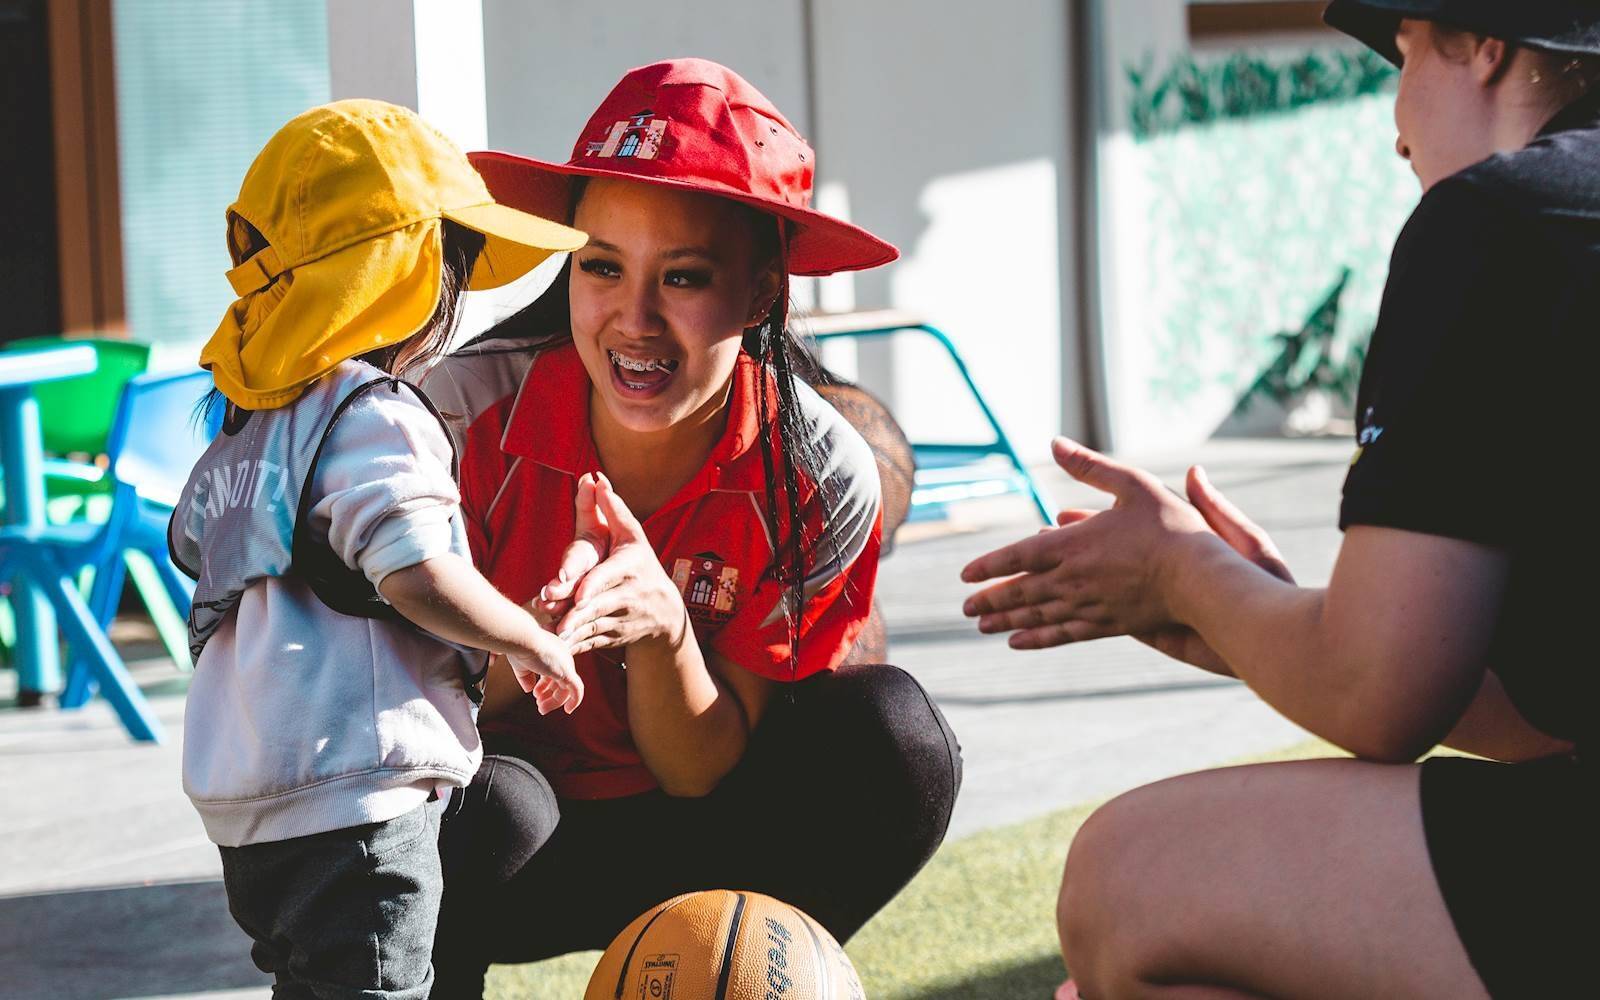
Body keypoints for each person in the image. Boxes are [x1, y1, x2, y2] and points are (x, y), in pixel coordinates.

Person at [961, 3, 1599, 997]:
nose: (1397, 132)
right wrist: (1258, 625)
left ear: (1486, 45)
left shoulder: (1499, 216)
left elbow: (1379, 698)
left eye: (1403, 55)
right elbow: (1555, 717)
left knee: (1129, 877)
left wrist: (1184, 571)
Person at [420, 59, 962, 993]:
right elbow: (415, 724)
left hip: (709, 836)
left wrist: (664, 628)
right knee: (483, 805)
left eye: (683, 276)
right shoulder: (456, 416)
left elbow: (698, 775)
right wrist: (527, 636)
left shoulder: (822, 469)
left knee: (896, 736)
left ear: (762, 293)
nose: (634, 319)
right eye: (600, 267)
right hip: (516, 841)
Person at [169, 99, 588, 1000]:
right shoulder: (376, 415)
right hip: (355, 794)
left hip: (248, 807)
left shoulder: (250, 423)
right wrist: (528, 637)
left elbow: (194, 541)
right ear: (408, 277)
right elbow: (417, 573)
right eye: (453, 269)